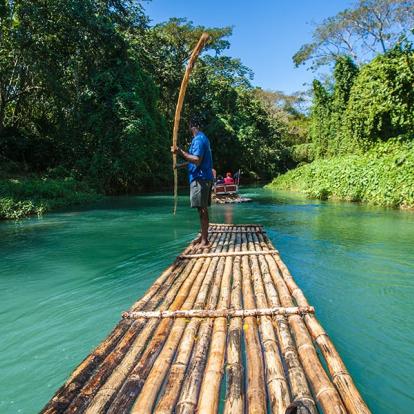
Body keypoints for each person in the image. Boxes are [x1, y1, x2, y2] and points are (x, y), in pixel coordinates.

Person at [172, 118, 214, 246]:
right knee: (201, 209)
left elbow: (196, 160)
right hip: (201, 178)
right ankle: (203, 236)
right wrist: (180, 165)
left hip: (200, 179)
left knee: (202, 209)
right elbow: (194, 160)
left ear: (192, 126)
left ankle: (205, 240)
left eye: (189, 126)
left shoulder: (199, 139)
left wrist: (179, 151)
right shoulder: (202, 139)